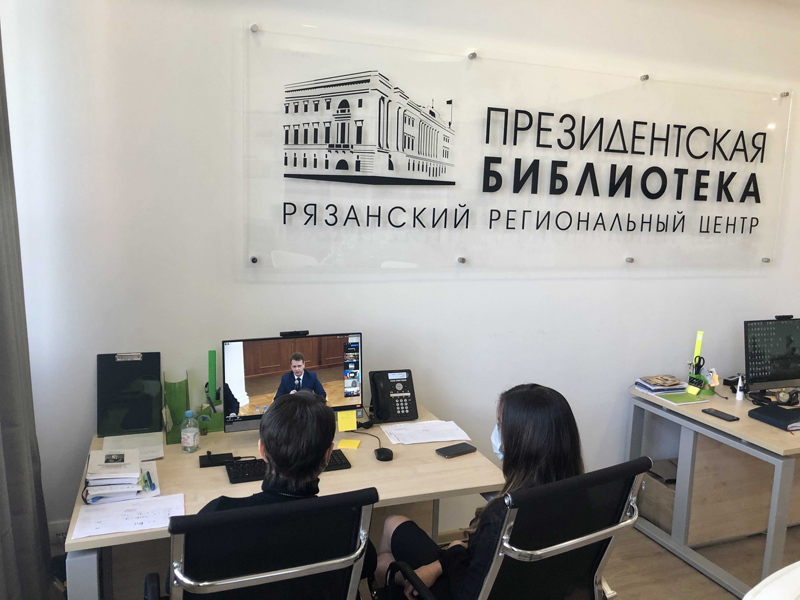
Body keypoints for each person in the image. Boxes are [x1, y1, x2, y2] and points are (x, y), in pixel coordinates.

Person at [375, 384, 585, 600]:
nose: (496, 432)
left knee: (388, 544)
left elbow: (468, 593)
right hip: (528, 588)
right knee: (396, 529)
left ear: (520, 441)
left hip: (466, 589)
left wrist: (455, 550)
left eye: (500, 424)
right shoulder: (585, 498)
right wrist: (440, 564)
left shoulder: (503, 515)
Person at [200, 390, 376, 579]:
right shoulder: (347, 524)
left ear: (262, 450)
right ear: (328, 454)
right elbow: (368, 566)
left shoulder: (216, 516)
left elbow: (183, 577)